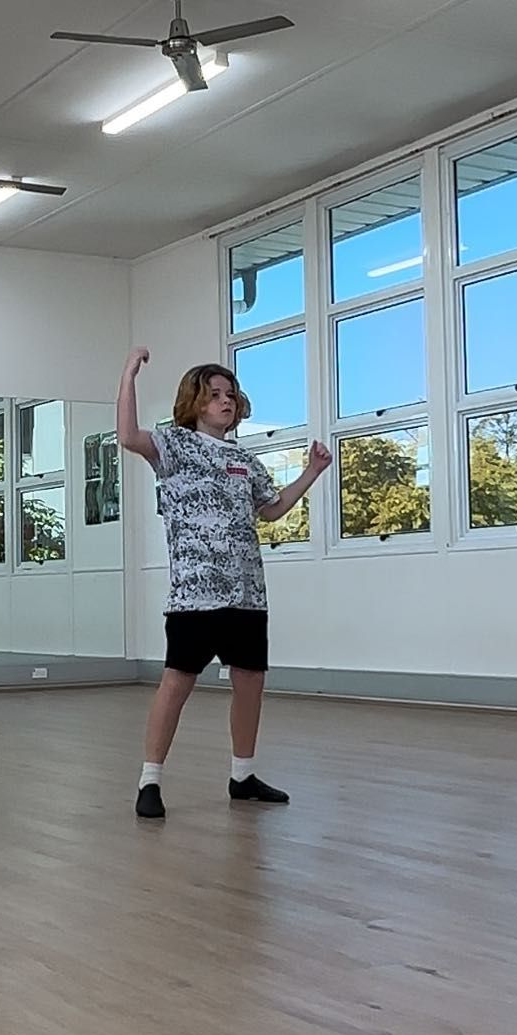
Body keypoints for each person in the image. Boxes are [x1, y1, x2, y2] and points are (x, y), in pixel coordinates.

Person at [118, 347, 331, 819]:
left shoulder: (246, 461)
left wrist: (311, 473)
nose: (225, 401)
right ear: (194, 402)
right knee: (177, 683)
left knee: (251, 681)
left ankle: (243, 775)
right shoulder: (173, 445)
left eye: (230, 394)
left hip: (247, 593)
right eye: (214, 394)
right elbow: (128, 435)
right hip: (195, 594)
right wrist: (129, 376)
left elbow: (271, 509)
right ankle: (149, 780)